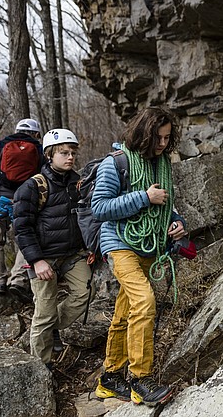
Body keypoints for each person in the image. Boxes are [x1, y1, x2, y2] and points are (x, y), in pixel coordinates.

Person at [92, 107, 187, 407]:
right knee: (144, 302)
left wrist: (176, 222)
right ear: (143, 134)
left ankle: (109, 379)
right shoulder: (115, 163)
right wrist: (143, 197)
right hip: (120, 244)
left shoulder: (162, 165)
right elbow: (100, 208)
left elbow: (165, 204)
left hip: (150, 246)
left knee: (125, 312)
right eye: (157, 138)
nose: (162, 144)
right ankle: (140, 380)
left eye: (167, 138)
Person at [13, 128, 90, 369]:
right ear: (49, 155)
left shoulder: (78, 183)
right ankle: (41, 368)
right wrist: (37, 260)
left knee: (85, 294)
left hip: (73, 254)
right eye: (63, 153)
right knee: (44, 313)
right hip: (43, 258)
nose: (70, 157)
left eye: (72, 153)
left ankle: (53, 327)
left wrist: (91, 247)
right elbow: (21, 227)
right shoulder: (33, 186)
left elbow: (88, 218)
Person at [0, 118, 44, 302]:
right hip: (24, 200)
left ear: (16, 130)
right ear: (36, 134)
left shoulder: (0, 145)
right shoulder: (38, 150)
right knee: (25, 237)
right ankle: (18, 281)